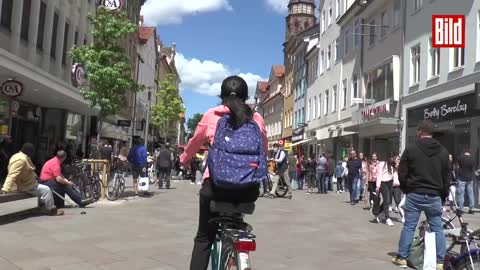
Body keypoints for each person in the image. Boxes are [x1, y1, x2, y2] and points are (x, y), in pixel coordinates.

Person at [179, 75, 268, 270]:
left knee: (204, 237)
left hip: (216, 188)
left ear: (222, 95)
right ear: (245, 97)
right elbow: (263, 150)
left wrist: (184, 160)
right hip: (248, 190)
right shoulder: (257, 118)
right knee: (237, 220)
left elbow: (194, 143)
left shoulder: (212, 115)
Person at [392, 120, 449, 269]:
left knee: (409, 226)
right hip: (434, 195)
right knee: (438, 228)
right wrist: (443, 195)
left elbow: (402, 172)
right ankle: (440, 262)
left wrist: (406, 188)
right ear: (432, 133)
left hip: (415, 193)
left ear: (420, 132)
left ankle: (402, 258)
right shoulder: (443, 151)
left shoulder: (411, 149)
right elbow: (446, 177)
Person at [0, 143, 64, 216]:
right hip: (26, 186)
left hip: (27, 183)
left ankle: (42, 208)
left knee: (43, 189)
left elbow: (27, 170)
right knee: (46, 190)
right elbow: (12, 175)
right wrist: (5, 189)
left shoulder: (17, 156)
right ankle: (52, 210)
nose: (33, 154)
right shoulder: (21, 160)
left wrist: (35, 176)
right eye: (32, 152)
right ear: (29, 151)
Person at [373, 155, 395, 226]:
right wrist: (378, 186)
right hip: (383, 182)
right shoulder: (383, 164)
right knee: (387, 200)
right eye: (392, 157)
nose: (393, 159)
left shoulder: (393, 165)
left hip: (390, 183)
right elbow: (379, 174)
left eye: (393, 158)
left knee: (387, 200)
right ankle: (387, 218)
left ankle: (378, 213)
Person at [456, 148, 476, 214]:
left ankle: (460, 208)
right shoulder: (473, 159)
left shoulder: (460, 158)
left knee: (461, 194)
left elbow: (457, 167)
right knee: (470, 193)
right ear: (469, 152)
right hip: (470, 178)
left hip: (461, 178)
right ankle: (471, 208)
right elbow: (473, 169)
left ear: (464, 151)